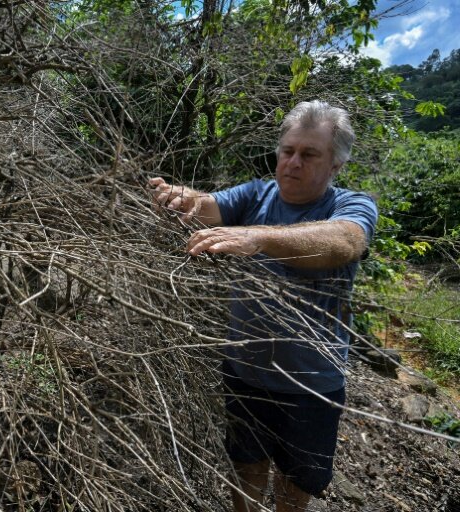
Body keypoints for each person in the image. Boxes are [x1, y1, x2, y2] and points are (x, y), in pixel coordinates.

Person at [148, 100, 378, 511]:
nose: (292, 163)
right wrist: (180, 199)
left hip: (312, 385)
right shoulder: (257, 193)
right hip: (245, 374)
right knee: (245, 470)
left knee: (295, 487)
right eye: (287, 151)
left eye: (309, 155)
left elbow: (344, 241)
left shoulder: (351, 205)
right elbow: (208, 205)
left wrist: (258, 237)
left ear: (335, 166)